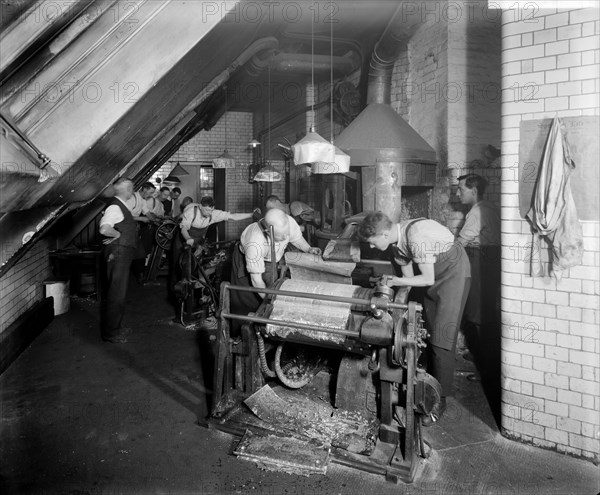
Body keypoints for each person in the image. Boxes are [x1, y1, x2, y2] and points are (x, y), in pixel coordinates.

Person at [357, 212, 470, 425]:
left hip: (453, 272)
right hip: (436, 274)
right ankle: (424, 379)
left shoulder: (415, 236)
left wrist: (394, 280)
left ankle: (438, 401)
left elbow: (427, 278)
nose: (371, 247)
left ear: (383, 233)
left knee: (442, 336)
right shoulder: (396, 244)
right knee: (424, 326)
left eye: (372, 242)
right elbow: (408, 281)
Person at [229, 208, 321, 335]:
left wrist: (309, 249)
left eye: (286, 233)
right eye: (281, 236)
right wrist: (271, 302)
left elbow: (296, 238)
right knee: (247, 301)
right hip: (246, 262)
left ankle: (270, 333)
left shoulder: (288, 223)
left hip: (272, 259)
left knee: (274, 287)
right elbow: (256, 281)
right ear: (268, 231)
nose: (285, 238)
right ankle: (240, 338)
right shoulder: (255, 241)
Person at [455, 174, 501, 370]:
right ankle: (486, 358)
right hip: (491, 259)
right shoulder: (490, 206)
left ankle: (485, 363)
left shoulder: (477, 212)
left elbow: (462, 242)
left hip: (480, 258)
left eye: (461, 189)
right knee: (486, 308)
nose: (458, 194)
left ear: (473, 191)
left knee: (476, 310)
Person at [98, 177, 136, 344]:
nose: (133, 191)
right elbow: (105, 228)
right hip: (118, 253)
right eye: (132, 188)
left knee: (119, 292)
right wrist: (118, 234)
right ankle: (111, 333)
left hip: (121, 253)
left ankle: (116, 327)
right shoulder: (115, 206)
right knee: (116, 293)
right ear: (126, 189)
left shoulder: (120, 205)